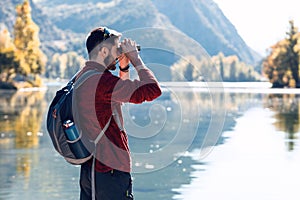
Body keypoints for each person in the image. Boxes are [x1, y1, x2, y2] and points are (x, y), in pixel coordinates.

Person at [74, 26, 162, 200]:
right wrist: (136, 59)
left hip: (92, 170)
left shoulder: (85, 76)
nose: (120, 53)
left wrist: (124, 68)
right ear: (104, 51)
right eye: (117, 49)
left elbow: (119, 99)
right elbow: (152, 90)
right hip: (109, 172)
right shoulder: (102, 82)